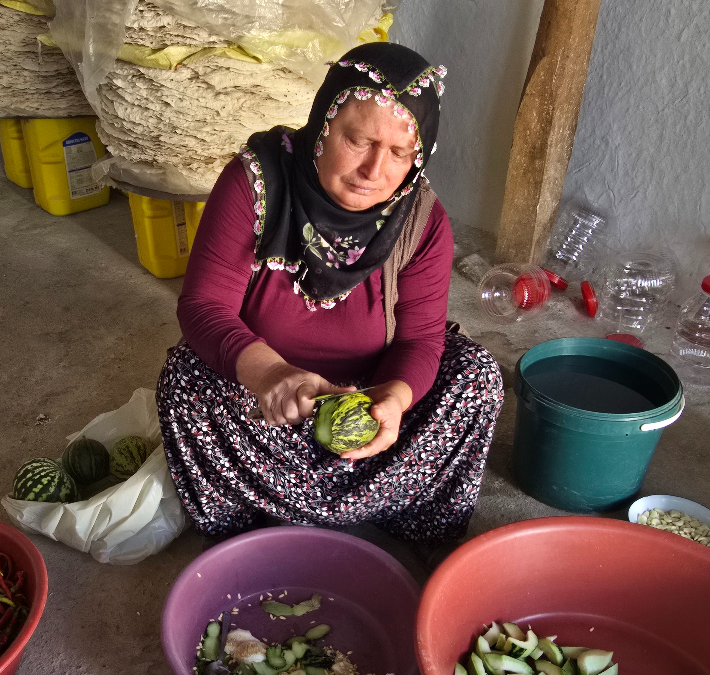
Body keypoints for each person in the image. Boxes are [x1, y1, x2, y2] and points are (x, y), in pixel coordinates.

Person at [157, 42, 504, 545]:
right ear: (322, 124)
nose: (374, 171)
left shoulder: (422, 222)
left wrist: (392, 401)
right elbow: (203, 307)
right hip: (266, 398)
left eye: (400, 153)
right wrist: (270, 374)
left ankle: (412, 522)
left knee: (476, 379)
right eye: (358, 140)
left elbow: (421, 341)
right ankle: (244, 532)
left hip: (363, 404)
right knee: (185, 384)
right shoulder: (255, 184)